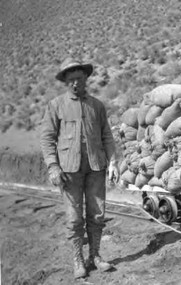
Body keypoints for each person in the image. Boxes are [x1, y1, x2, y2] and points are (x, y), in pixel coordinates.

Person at [40, 58, 120, 279]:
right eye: (71, 80)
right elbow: (47, 139)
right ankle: (78, 259)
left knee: (97, 215)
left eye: (79, 79)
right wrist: (53, 167)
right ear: (66, 82)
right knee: (74, 219)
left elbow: (107, 136)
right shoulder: (55, 105)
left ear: (86, 79)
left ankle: (95, 256)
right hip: (68, 172)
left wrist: (113, 162)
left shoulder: (97, 106)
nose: (76, 83)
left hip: (96, 168)